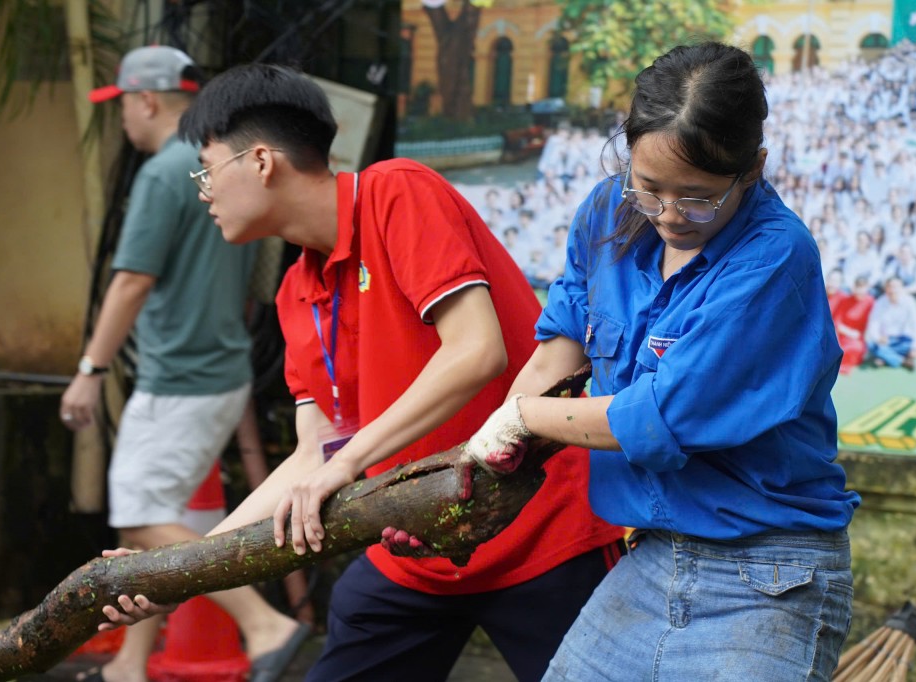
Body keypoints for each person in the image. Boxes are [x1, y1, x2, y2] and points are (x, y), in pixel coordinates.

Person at [99, 63, 623, 682]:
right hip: (414, 553)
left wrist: (348, 464)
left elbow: (476, 350)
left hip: (540, 536)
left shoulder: (395, 190)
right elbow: (311, 456)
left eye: (207, 169)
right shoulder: (296, 291)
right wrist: (180, 574)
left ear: (261, 161)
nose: (203, 191)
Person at [464, 43, 860, 680]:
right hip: (651, 558)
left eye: (698, 197)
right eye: (649, 189)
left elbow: (656, 418)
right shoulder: (606, 211)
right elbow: (558, 352)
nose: (670, 215)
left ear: (752, 168)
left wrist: (522, 419)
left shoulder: (775, 256)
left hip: (768, 574)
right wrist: (477, 467)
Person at [58, 47, 308, 682]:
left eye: (121, 107)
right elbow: (258, 276)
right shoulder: (220, 168)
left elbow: (132, 281)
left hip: (179, 380)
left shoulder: (166, 171)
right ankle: (130, 667)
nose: (121, 121)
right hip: (222, 373)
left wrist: (91, 368)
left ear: (146, 100)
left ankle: (264, 625)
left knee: (142, 515)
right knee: (177, 526)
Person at [864, 276, 916, 370]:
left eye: (896, 287)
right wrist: (878, 338)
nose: (892, 290)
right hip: (885, 340)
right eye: (890, 286)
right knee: (871, 344)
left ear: (901, 288)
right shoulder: (880, 302)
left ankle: (883, 357)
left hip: (903, 340)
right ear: (885, 289)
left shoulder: (909, 301)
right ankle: (902, 360)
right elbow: (873, 324)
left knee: (907, 345)